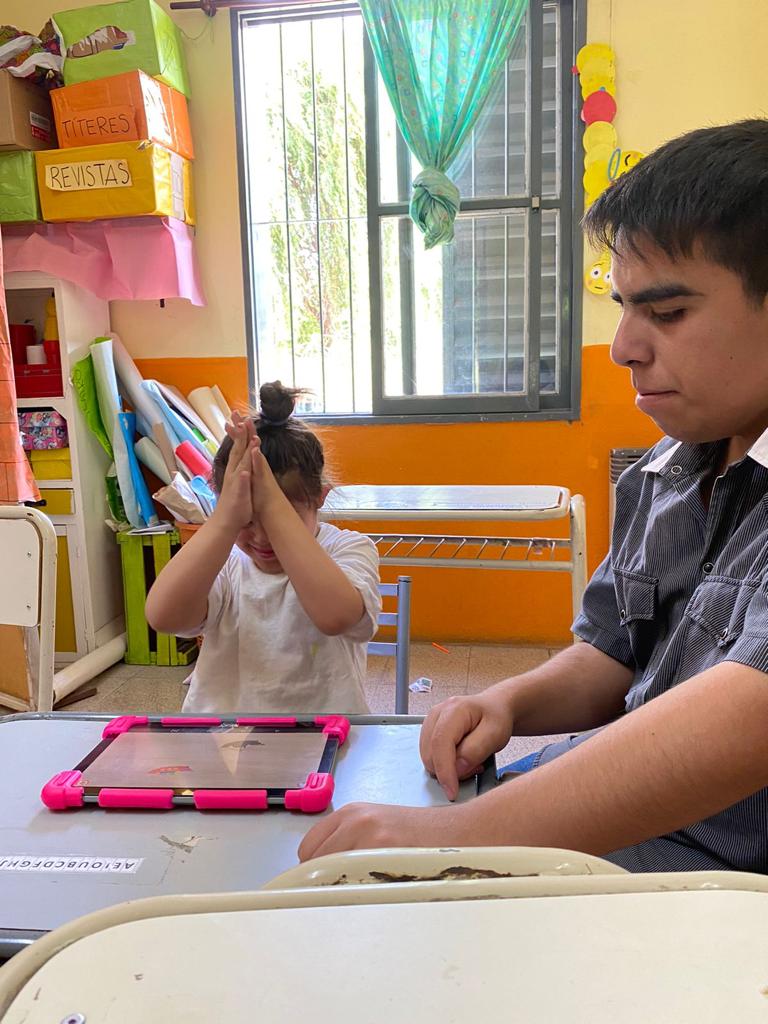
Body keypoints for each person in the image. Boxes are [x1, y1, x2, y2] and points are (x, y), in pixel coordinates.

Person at [299, 119, 768, 872]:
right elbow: (616, 652)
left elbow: (749, 719)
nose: (624, 347)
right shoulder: (669, 469)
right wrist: (510, 702)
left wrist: (454, 839)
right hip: (625, 822)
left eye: (668, 313)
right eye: (622, 306)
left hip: (724, 892)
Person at [145, 382, 381, 714]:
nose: (262, 538)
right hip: (223, 741)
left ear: (319, 498)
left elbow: (336, 616)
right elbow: (163, 616)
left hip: (324, 740)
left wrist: (270, 502)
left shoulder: (347, 548)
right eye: (247, 520)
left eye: (280, 517)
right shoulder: (224, 560)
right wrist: (225, 520)